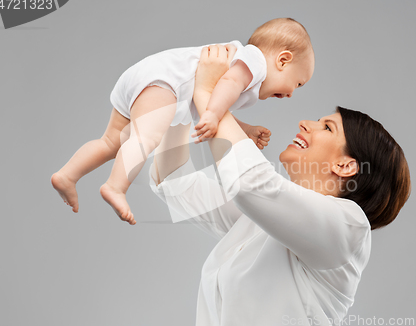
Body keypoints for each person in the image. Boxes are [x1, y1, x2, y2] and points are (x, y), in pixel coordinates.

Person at [150, 45, 411, 326]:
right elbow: (174, 181)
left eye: (327, 128)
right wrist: (185, 92)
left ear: (346, 166)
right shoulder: (263, 224)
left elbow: (251, 183)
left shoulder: (349, 228)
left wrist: (208, 94)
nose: (306, 123)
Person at [51, 18, 315, 225]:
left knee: (110, 142)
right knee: (146, 138)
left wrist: (245, 129)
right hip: (165, 82)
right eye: (298, 83)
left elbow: (213, 98)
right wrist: (211, 115)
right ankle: (115, 187)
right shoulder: (255, 61)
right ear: (283, 60)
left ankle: (67, 175)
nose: (291, 93)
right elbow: (226, 86)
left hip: (143, 76)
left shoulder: (244, 74)